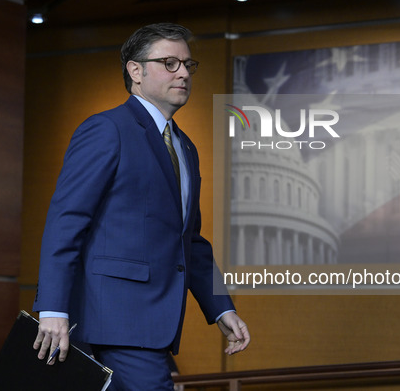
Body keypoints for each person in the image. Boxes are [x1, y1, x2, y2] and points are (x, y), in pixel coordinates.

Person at [32, 23, 250, 390]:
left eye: (186, 64)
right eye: (169, 62)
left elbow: (189, 240)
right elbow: (66, 221)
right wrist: (52, 309)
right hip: (114, 321)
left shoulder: (185, 147)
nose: (182, 72)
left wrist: (221, 308)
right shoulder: (106, 129)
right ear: (136, 71)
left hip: (151, 324)